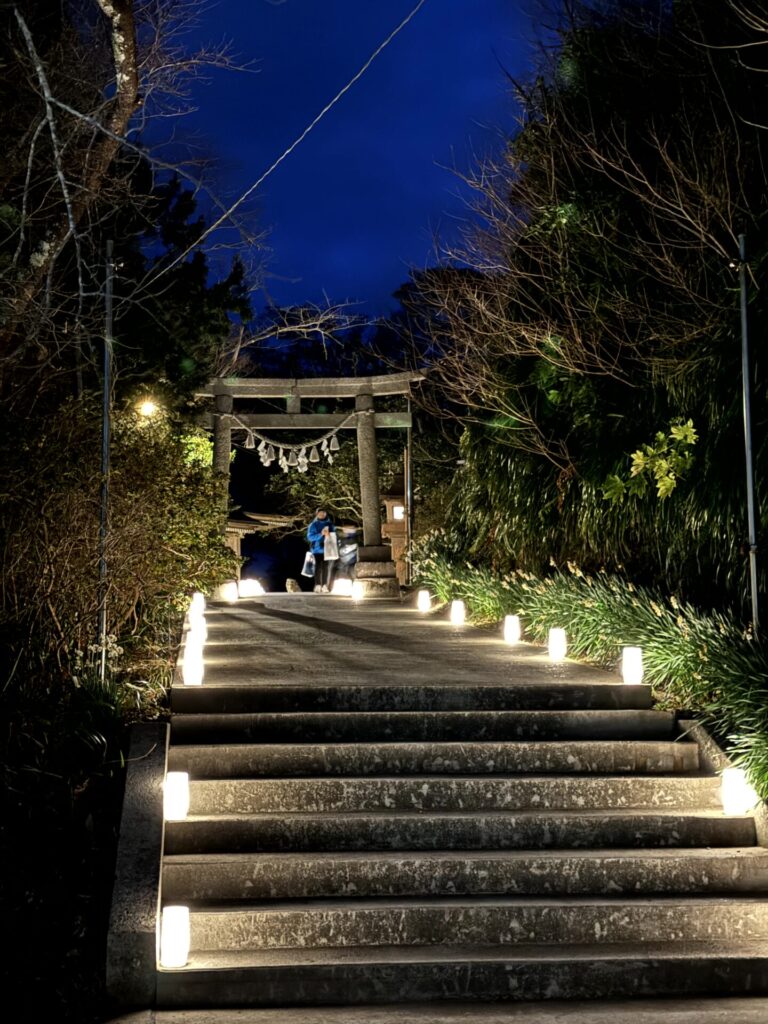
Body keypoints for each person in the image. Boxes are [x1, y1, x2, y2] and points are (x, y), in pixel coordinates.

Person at [306, 508, 337, 593]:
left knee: (326, 568)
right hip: (316, 550)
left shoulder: (330, 524)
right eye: (320, 513)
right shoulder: (313, 525)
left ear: (326, 514)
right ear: (316, 514)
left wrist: (329, 535)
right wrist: (321, 534)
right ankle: (317, 585)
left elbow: (334, 536)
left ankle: (324, 585)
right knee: (317, 568)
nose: (322, 514)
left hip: (327, 549)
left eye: (323, 513)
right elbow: (310, 537)